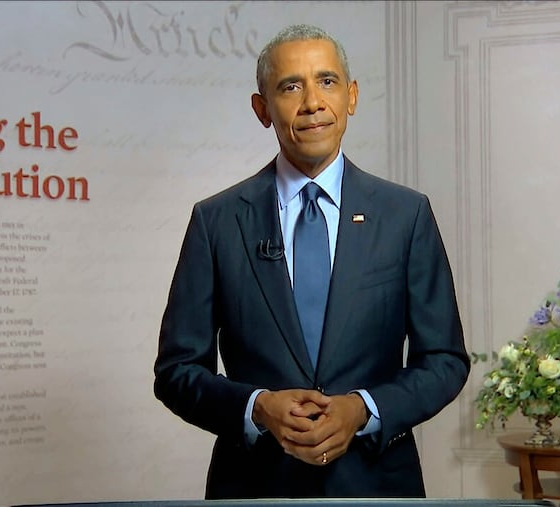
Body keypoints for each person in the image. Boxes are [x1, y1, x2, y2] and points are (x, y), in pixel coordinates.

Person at [154, 24, 469, 499]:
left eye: (327, 81)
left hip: (378, 486)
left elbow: (444, 359)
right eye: (290, 86)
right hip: (253, 487)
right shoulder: (215, 222)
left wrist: (364, 409)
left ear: (352, 96)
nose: (312, 103)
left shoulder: (406, 215)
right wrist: (257, 407)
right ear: (262, 109)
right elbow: (176, 371)